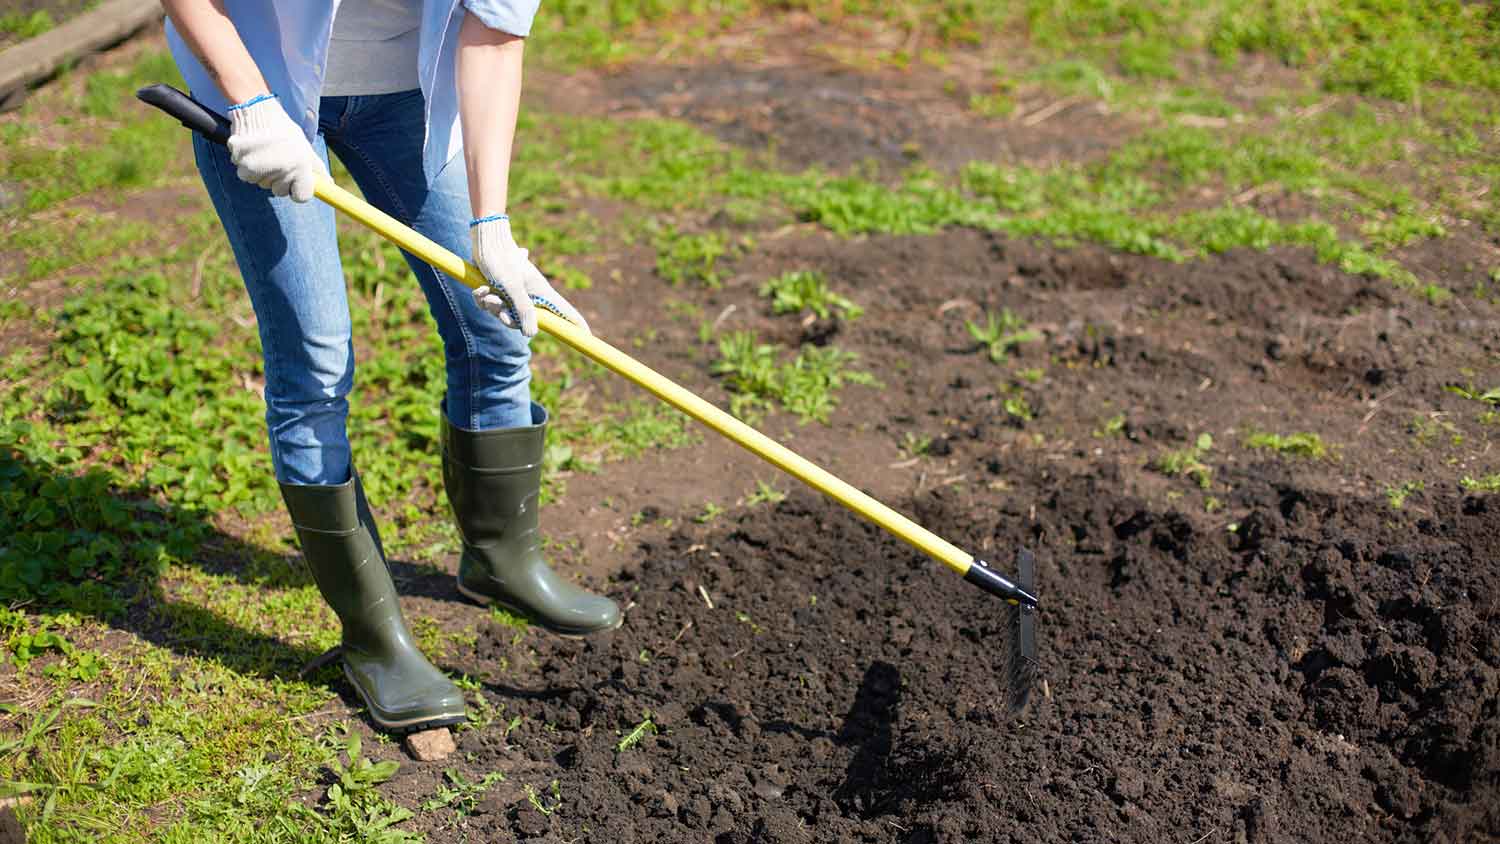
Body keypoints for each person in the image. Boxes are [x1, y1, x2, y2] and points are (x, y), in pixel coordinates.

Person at [161, 0, 620, 734]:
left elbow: (496, 39)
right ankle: (374, 640)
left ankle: (502, 559)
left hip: (405, 91)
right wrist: (251, 105)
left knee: (491, 324)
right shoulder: (254, 99)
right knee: (315, 362)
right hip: (261, 87)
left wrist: (492, 228)